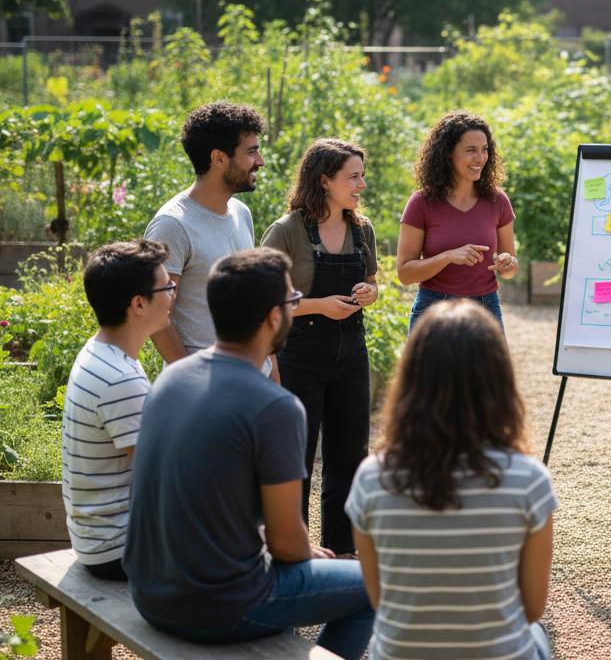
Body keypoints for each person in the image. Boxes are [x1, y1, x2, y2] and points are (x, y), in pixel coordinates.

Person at [123, 249, 374, 658]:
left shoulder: (172, 378)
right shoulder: (276, 406)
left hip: (148, 592)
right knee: (373, 585)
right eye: (292, 301)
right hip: (217, 608)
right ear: (274, 318)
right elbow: (286, 545)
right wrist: (297, 548)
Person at [345, 300, 557, 660]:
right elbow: (531, 609)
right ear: (498, 382)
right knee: (537, 637)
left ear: (410, 381)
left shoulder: (371, 478)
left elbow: (382, 599)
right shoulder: (528, 481)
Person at [261, 138, 379, 557]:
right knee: (297, 454)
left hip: (351, 352)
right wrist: (319, 306)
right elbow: (265, 297)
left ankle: (343, 549)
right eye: (354, 176)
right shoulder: (286, 230)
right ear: (325, 180)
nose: (361, 184)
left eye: (361, 175)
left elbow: (374, 283)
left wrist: (369, 292)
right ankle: (293, 548)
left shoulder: (362, 230)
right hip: (300, 354)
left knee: (350, 453)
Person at [61, 239, 174, 581]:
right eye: (167, 287)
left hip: (98, 536)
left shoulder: (103, 352)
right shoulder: (119, 379)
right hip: (118, 546)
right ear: (139, 304)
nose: (173, 294)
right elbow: (161, 479)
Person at [145, 101, 272, 375]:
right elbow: (157, 315)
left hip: (250, 378)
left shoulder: (241, 213)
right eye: (251, 152)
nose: (259, 162)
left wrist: (271, 370)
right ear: (219, 158)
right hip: (207, 386)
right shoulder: (172, 225)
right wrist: (191, 379)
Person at [396, 110, 519, 332]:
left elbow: (510, 269)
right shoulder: (421, 202)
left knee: (488, 369)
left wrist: (508, 263)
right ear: (448, 153)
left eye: (484, 150)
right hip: (433, 308)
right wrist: (448, 257)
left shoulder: (498, 200)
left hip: (485, 307)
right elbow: (405, 273)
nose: (480, 158)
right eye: (471, 150)